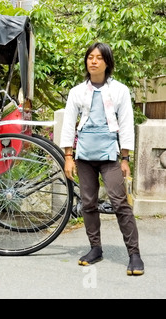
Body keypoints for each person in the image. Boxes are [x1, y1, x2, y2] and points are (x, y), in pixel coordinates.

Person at [60, 42, 144, 276]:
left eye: (98, 57)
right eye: (90, 57)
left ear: (107, 62)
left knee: (119, 202)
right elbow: (69, 124)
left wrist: (125, 158)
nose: (93, 61)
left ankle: (134, 254)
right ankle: (95, 248)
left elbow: (126, 124)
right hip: (84, 155)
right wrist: (68, 156)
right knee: (88, 203)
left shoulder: (120, 90)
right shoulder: (77, 91)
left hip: (109, 155)